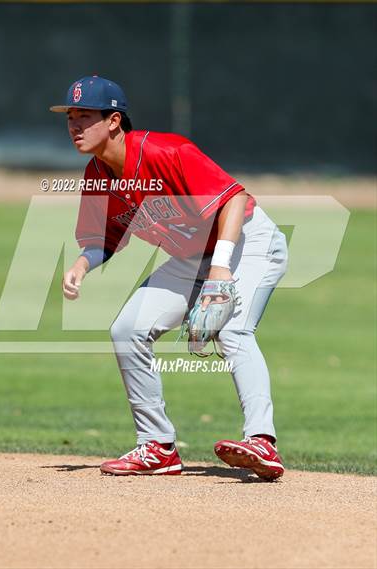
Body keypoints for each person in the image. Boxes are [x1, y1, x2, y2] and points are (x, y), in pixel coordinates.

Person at [50, 75, 288, 480]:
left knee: (232, 332)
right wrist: (82, 264)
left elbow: (234, 199)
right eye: (70, 116)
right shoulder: (97, 174)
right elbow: (104, 239)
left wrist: (220, 270)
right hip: (191, 256)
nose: (74, 125)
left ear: (113, 121)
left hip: (247, 242)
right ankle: (157, 447)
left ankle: (262, 441)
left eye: (85, 115)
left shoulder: (165, 151)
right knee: (127, 329)